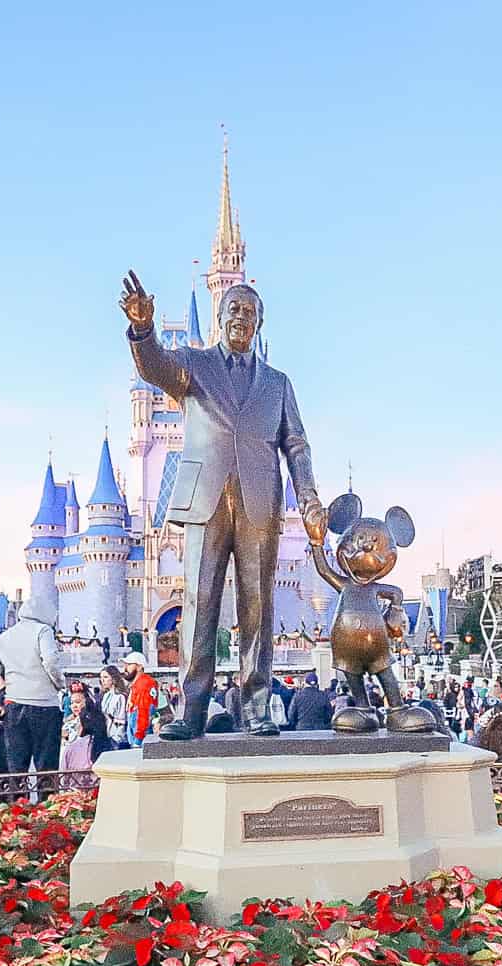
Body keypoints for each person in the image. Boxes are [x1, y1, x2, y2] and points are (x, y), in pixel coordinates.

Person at [121, 271, 325, 739]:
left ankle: (255, 706)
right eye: (233, 308)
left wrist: (309, 496)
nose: (241, 317)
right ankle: (191, 709)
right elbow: (152, 367)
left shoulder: (277, 382)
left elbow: (296, 443)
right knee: (199, 601)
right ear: (219, 316)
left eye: (250, 311)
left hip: (260, 502)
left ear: (259, 323)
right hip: (205, 499)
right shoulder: (194, 364)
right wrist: (142, 330)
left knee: (258, 605)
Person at [0, 588, 69, 797]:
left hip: (14, 705)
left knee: (17, 767)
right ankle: (48, 811)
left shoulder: (5, 637)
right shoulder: (43, 631)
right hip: (44, 705)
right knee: (46, 766)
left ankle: (18, 812)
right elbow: (51, 661)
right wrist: (59, 683)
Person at [121, 651, 159, 744]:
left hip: (140, 737)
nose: (125, 668)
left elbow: (144, 712)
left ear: (139, 667)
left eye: (129, 665)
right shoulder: (137, 685)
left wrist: (138, 738)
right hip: (136, 734)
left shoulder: (145, 684)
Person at [98, 665, 130, 747]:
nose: (102, 680)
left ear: (113, 678)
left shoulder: (120, 697)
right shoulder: (105, 695)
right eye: (101, 677)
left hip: (116, 737)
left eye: (105, 677)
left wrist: (117, 739)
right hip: (106, 735)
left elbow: (121, 720)